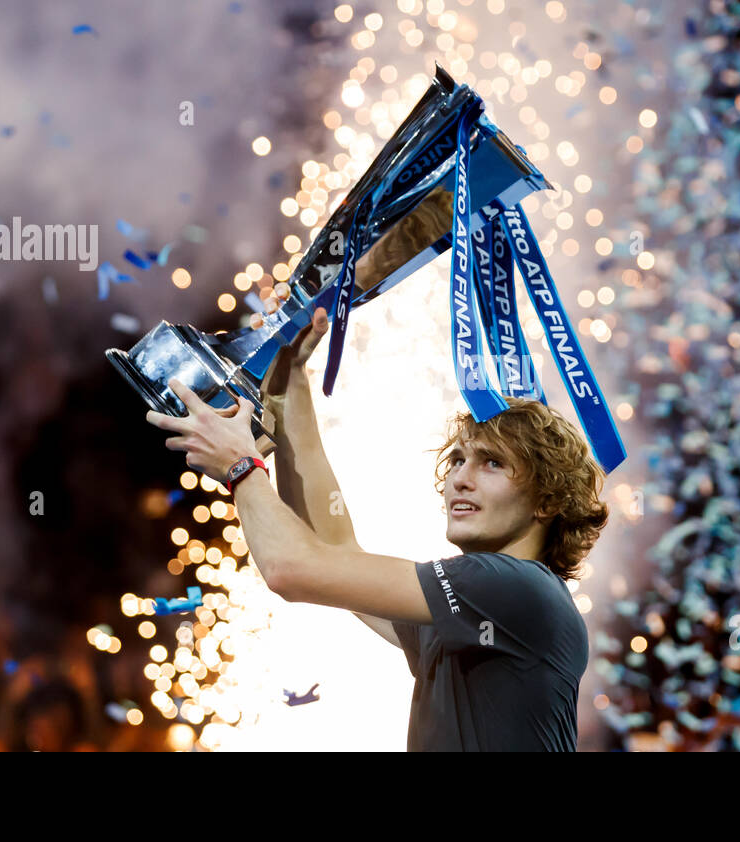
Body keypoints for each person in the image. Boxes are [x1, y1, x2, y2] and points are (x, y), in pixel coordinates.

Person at [144, 306, 609, 750]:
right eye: (457, 460)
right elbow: (335, 546)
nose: (460, 479)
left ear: (547, 501)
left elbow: (290, 569)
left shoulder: (515, 588)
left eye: (492, 463)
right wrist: (289, 384)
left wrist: (242, 467)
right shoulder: (475, 611)